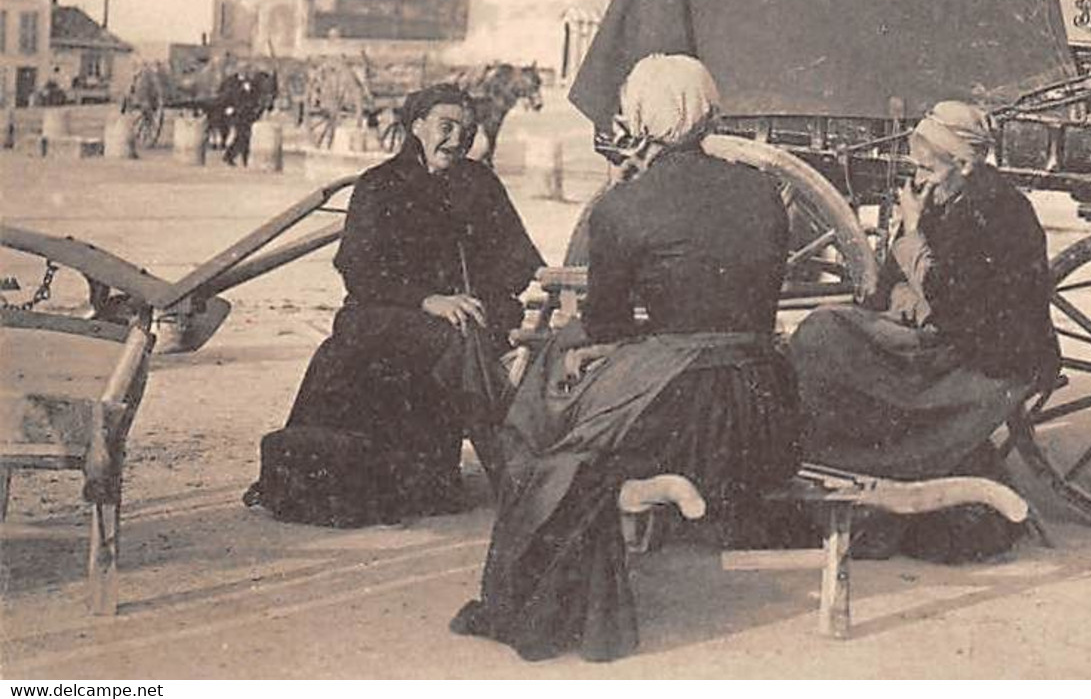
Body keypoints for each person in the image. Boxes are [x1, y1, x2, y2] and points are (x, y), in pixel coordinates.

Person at [450, 54, 800, 663]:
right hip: (762, 403)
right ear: (708, 113)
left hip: (684, 400)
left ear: (639, 119)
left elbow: (606, 323)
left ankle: (539, 594)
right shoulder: (764, 191)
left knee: (543, 420)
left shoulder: (626, 205)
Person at [246, 83, 543, 525]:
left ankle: (468, 474)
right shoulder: (379, 185)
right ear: (417, 126)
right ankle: (507, 477)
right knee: (432, 341)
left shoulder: (480, 183)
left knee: (461, 335)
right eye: (445, 126)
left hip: (466, 311)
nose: (457, 139)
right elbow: (358, 270)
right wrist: (429, 299)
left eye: (467, 129)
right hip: (384, 311)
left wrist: (479, 292)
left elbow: (521, 260)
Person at [788, 100, 1058, 562]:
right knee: (826, 334)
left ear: (965, 164)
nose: (920, 177)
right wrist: (902, 289)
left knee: (823, 337)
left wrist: (913, 234)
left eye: (929, 168)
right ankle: (844, 474)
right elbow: (908, 280)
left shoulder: (999, 212)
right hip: (949, 339)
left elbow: (954, 301)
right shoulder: (948, 194)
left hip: (984, 360)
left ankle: (863, 481)